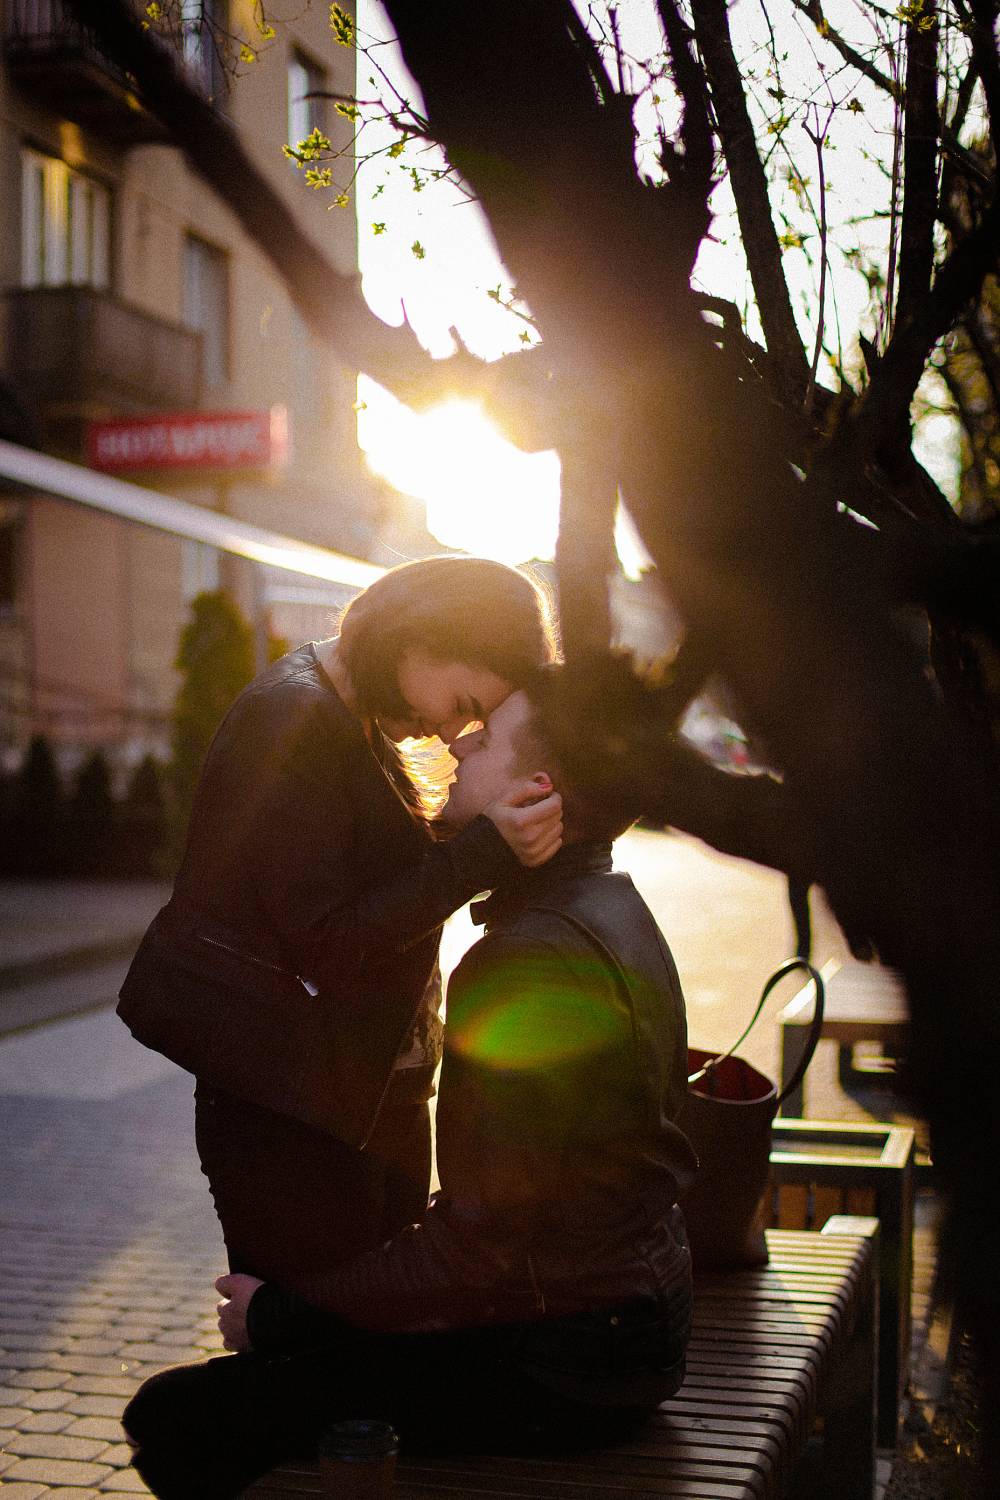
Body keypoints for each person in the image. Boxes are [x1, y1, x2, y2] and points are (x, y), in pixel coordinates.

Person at [122, 682, 698, 1499]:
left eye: (485, 737)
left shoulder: (522, 963)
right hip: (628, 1326)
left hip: (564, 1363)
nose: (458, 743)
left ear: (537, 792)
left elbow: (476, 1250)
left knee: (173, 1416)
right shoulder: (611, 905)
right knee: (294, 1381)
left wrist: (279, 1314)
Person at [118, 557, 562, 1287]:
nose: (451, 730)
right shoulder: (292, 719)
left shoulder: (347, 716)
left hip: (358, 1103)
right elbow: (325, 942)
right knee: (309, 1343)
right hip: (291, 1122)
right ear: (420, 638)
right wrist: (480, 853)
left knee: (365, 1338)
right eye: (461, 702)